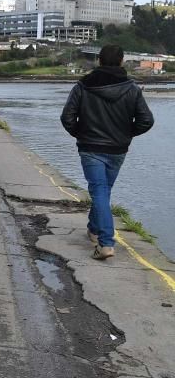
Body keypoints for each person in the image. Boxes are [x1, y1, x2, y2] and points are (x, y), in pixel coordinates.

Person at [60, 45, 154, 259]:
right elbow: (146, 120)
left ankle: (106, 243)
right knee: (103, 190)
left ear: (99, 61)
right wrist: (126, 133)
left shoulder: (83, 86)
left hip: (91, 148)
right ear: (121, 62)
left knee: (100, 191)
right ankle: (94, 231)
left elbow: (67, 117)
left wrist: (80, 134)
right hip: (118, 149)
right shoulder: (132, 88)